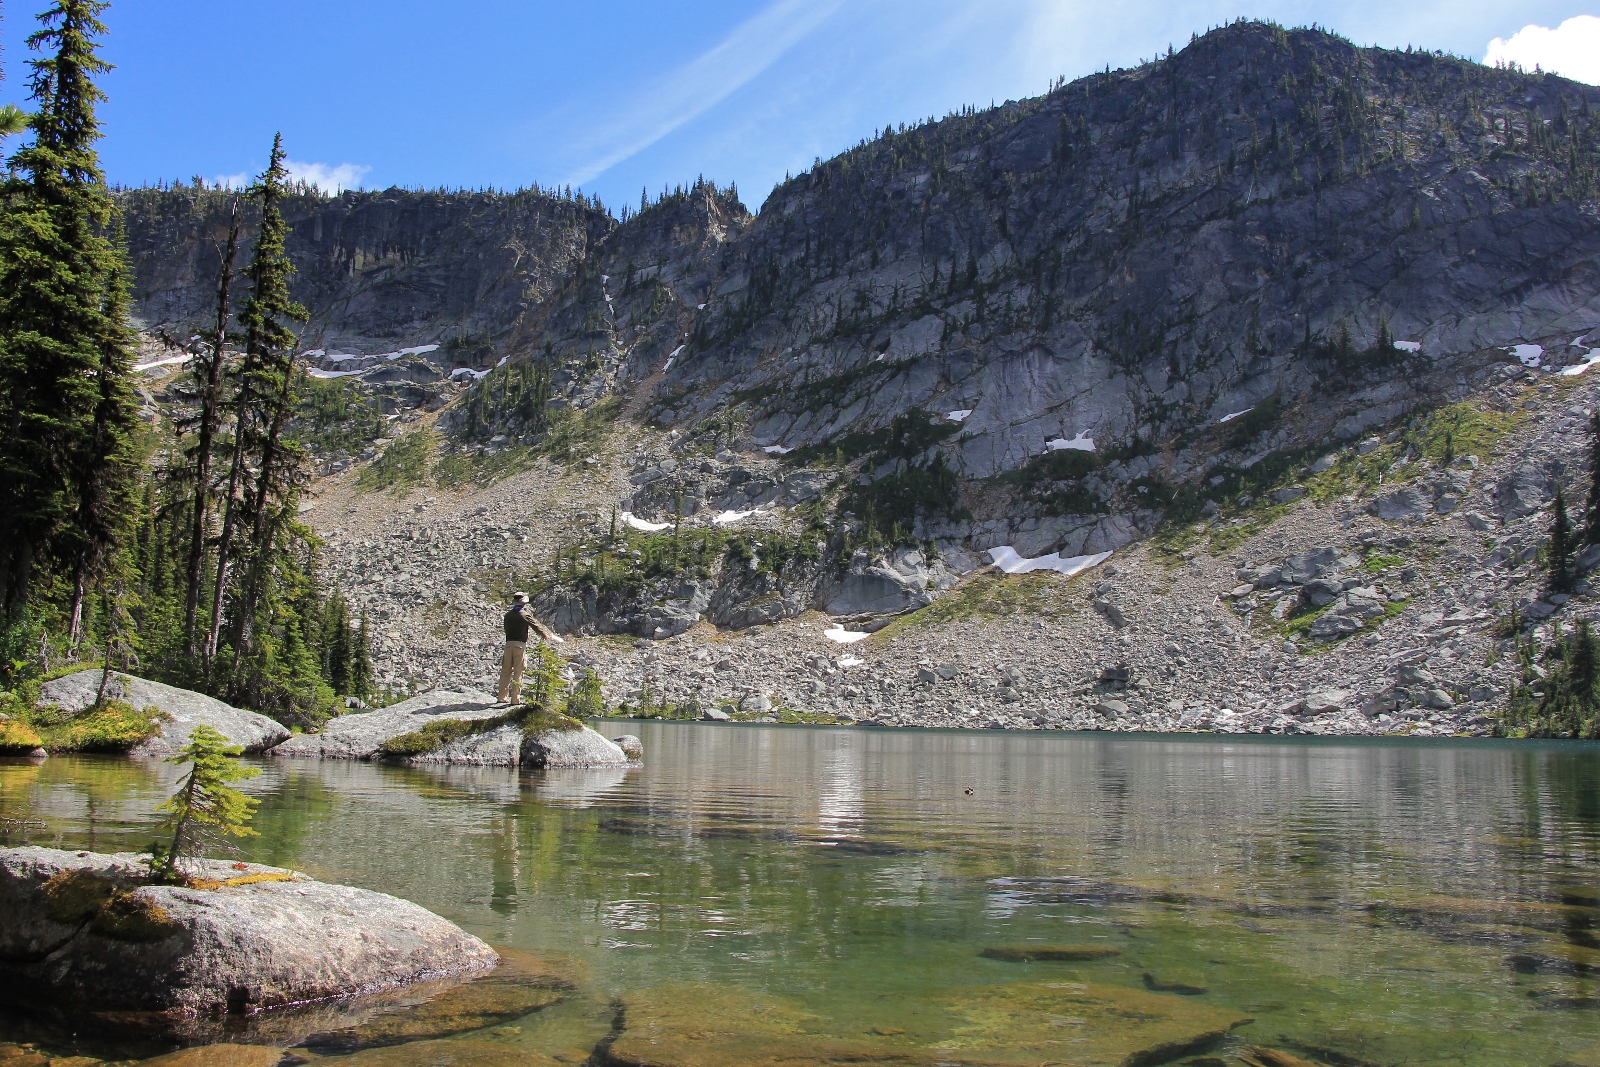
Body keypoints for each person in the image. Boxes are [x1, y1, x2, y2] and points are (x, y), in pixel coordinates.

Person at [498, 592, 555, 704]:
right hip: (519, 645)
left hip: (508, 644)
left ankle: (501, 697)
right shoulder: (524, 615)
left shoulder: (507, 615)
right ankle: (515, 699)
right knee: (518, 672)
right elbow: (536, 626)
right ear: (523, 602)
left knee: (505, 671)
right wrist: (544, 635)